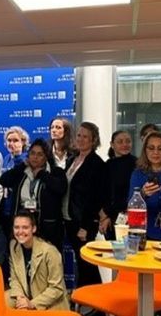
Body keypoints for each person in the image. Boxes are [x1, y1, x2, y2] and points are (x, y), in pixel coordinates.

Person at [0, 138, 67, 250]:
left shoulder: (55, 172)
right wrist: (21, 166)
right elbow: (4, 180)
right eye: (32, 153)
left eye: (40, 154)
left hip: (46, 227)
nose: (35, 157)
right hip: (23, 224)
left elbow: (61, 188)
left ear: (46, 157)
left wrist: (42, 174)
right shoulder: (21, 172)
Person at [63, 122, 107, 288]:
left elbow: (95, 198)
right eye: (79, 135)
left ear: (93, 140)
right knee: (81, 265)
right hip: (69, 218)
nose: (81, 139)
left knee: (87, 266)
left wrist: (87, 226)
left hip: (83, 223)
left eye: (85, 136)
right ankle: (85, 303)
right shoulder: (72, 160)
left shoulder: (96, 164)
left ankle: (96, 306)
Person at [7, 210, 70, 311]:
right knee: (3, 299)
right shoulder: (13, 246)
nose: (20, 231)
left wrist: (32, 303)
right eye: (16, 227)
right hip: (26, 297)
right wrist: (20, 299)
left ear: (34, 229)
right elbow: (15, 279)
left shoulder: (50, 251)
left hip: (49, 303)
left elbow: (57, 289)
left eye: (25, 227)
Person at [100, 130, 137, 240]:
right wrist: (104, 216)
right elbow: (103, 192)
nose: (125, 145)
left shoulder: (137, 164)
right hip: (108, 217)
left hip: (129, 216)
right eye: (120, 142)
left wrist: (108, 214)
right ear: (112, 145)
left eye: (128, 141)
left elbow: (128, 194)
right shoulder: (107, 165)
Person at [1, 126, 29, 231]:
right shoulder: (7, 158)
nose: (12, 143)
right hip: (6, 204)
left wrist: (17, 155)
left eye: (15, 140)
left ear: (23, 142)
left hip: (19, 205)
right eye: (9, 140)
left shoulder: (26, 158)